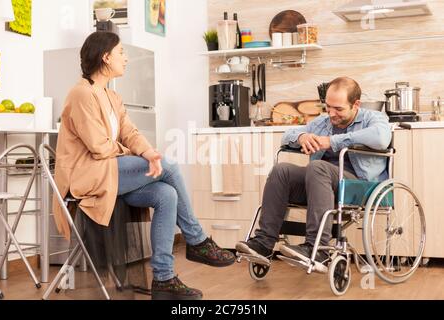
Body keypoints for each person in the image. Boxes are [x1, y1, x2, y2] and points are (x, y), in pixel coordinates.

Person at [52, 31, 235, 300]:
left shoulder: (112, 96)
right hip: (87, 178)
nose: (126, 59)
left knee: (166, 194)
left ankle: (163, 279)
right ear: (105, 57)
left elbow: (130, 132)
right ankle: (196, 240)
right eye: (121, 53)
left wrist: (148, 152)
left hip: (111, 174)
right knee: (170, 167)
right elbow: (99, 146)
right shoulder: (81, 94)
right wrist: (138, 154)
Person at [236, 77, 391, 265]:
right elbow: (287, 136)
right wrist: (302, 137)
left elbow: (382, 138)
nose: (332, 114)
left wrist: (332, 141)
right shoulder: (322, 122)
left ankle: (317, 248)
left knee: (317, 167)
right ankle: (264, 242)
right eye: (328, 107)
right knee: (281, 170)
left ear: (355, 104)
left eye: (339, 109)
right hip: (319, 183)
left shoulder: (373, 118)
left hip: (358, 185)